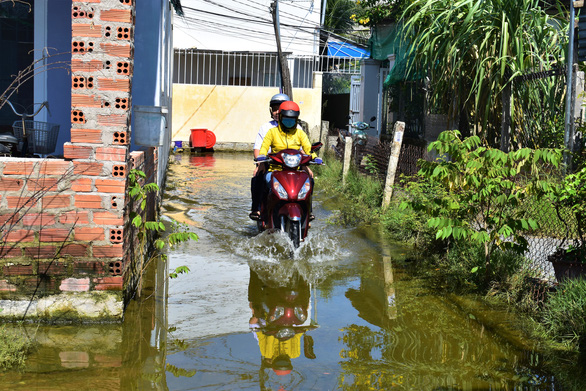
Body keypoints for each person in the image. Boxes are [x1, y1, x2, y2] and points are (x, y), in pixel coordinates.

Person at [255, 101, 321, 220]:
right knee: (262, 180)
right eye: (286, 118)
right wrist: (262, 156)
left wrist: (315, 158)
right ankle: (260, 210)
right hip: (275, 169)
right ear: (280, 118)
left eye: (292, 119)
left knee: (310, 180)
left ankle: (308, 212)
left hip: (296, 170)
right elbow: (264, 147)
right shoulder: (272, 132)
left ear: (296, 119)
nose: (289, 121)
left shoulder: (300, 133)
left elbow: (308, 148)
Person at [250, 93, 290, 220]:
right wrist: (260, 164)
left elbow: (303, 150)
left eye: (281, 108)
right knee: (257, 177)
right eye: (274, 109)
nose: (277, 112)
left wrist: (306, 166)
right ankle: (256, 209)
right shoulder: (266, 128)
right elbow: (258, 149)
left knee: (308, 180)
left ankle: (306, 213)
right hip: (270, 164)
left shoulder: (296, 128)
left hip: (292, 166)